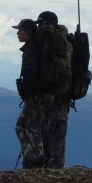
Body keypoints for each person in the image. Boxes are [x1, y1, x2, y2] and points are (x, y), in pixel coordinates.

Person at [12, 18, 50, 169]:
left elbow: (31, 75)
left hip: (35, 97)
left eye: (19, 30)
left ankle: (34, 160)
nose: (17, 33)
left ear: (27, 32)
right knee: (32, 127)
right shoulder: (36, 48)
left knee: (24, 127)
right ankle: (35, 159)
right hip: (41, 96)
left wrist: (26, 91)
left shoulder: (32, 50)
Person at [36, 10, 71, 169]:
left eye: (41, 24)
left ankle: (54, 165)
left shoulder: (58, 44)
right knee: (54, 129)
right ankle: (53, 164)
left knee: (52, 129)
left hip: (56, 93)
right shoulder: (64, 43)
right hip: (61, 94)